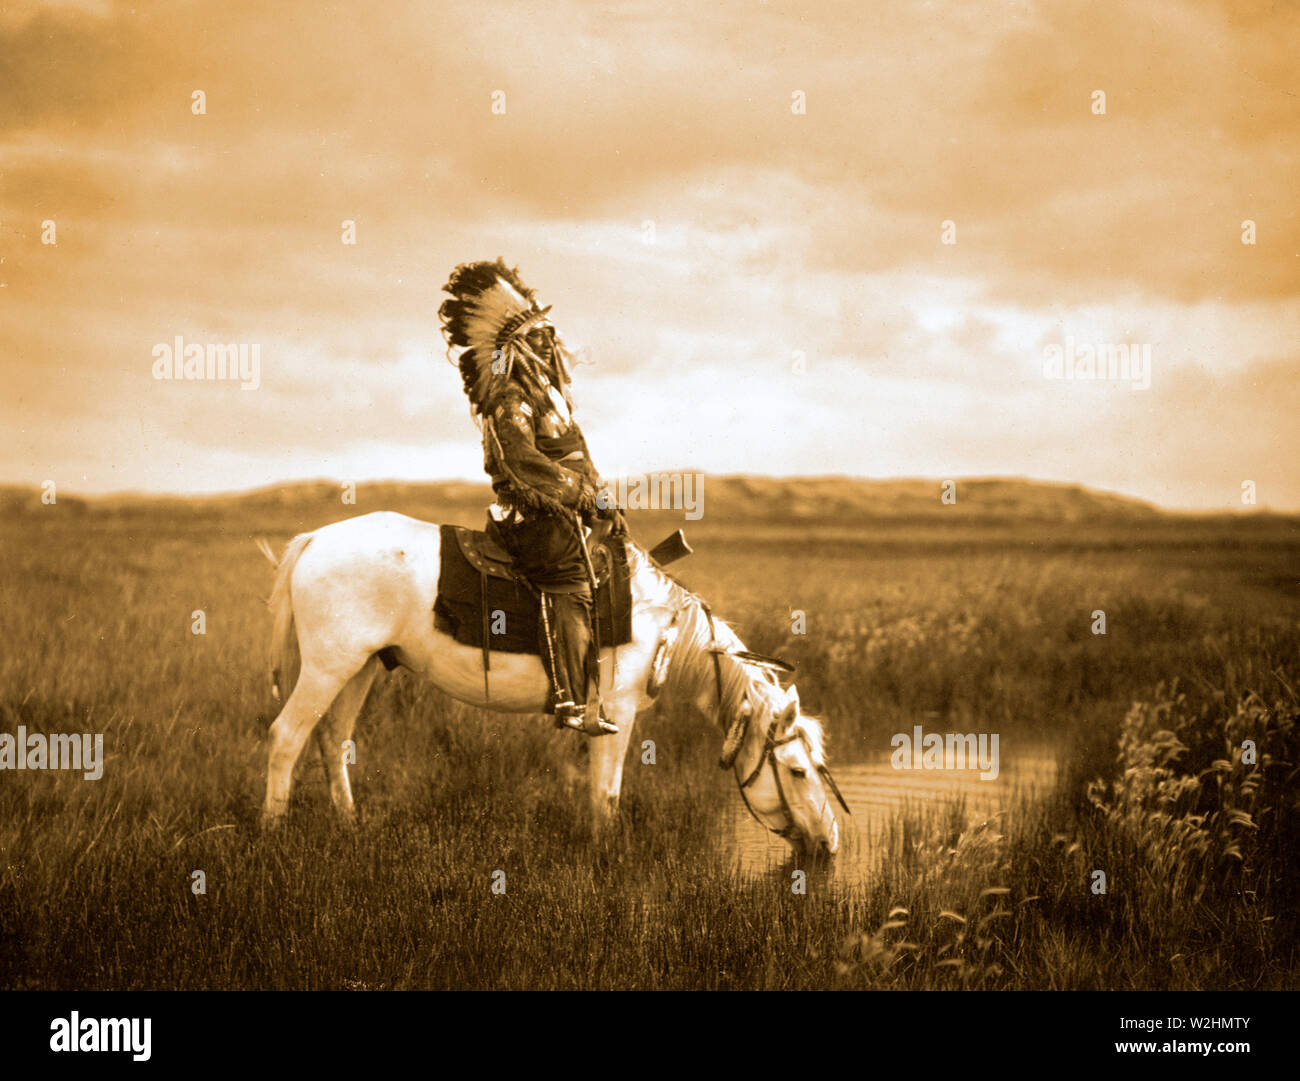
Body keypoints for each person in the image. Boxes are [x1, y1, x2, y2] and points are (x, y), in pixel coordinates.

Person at [438, 259, 625, 735]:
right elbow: (521, 463)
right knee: (568, 575)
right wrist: (584, 495)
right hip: (533, 516)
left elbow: (573, 454)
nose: (550, 341)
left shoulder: (548, 393)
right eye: (539, 335)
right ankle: (573, 701)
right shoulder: (509, 396)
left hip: (566, 508)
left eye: (549, 332)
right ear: (518, 345)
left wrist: (602, 500)